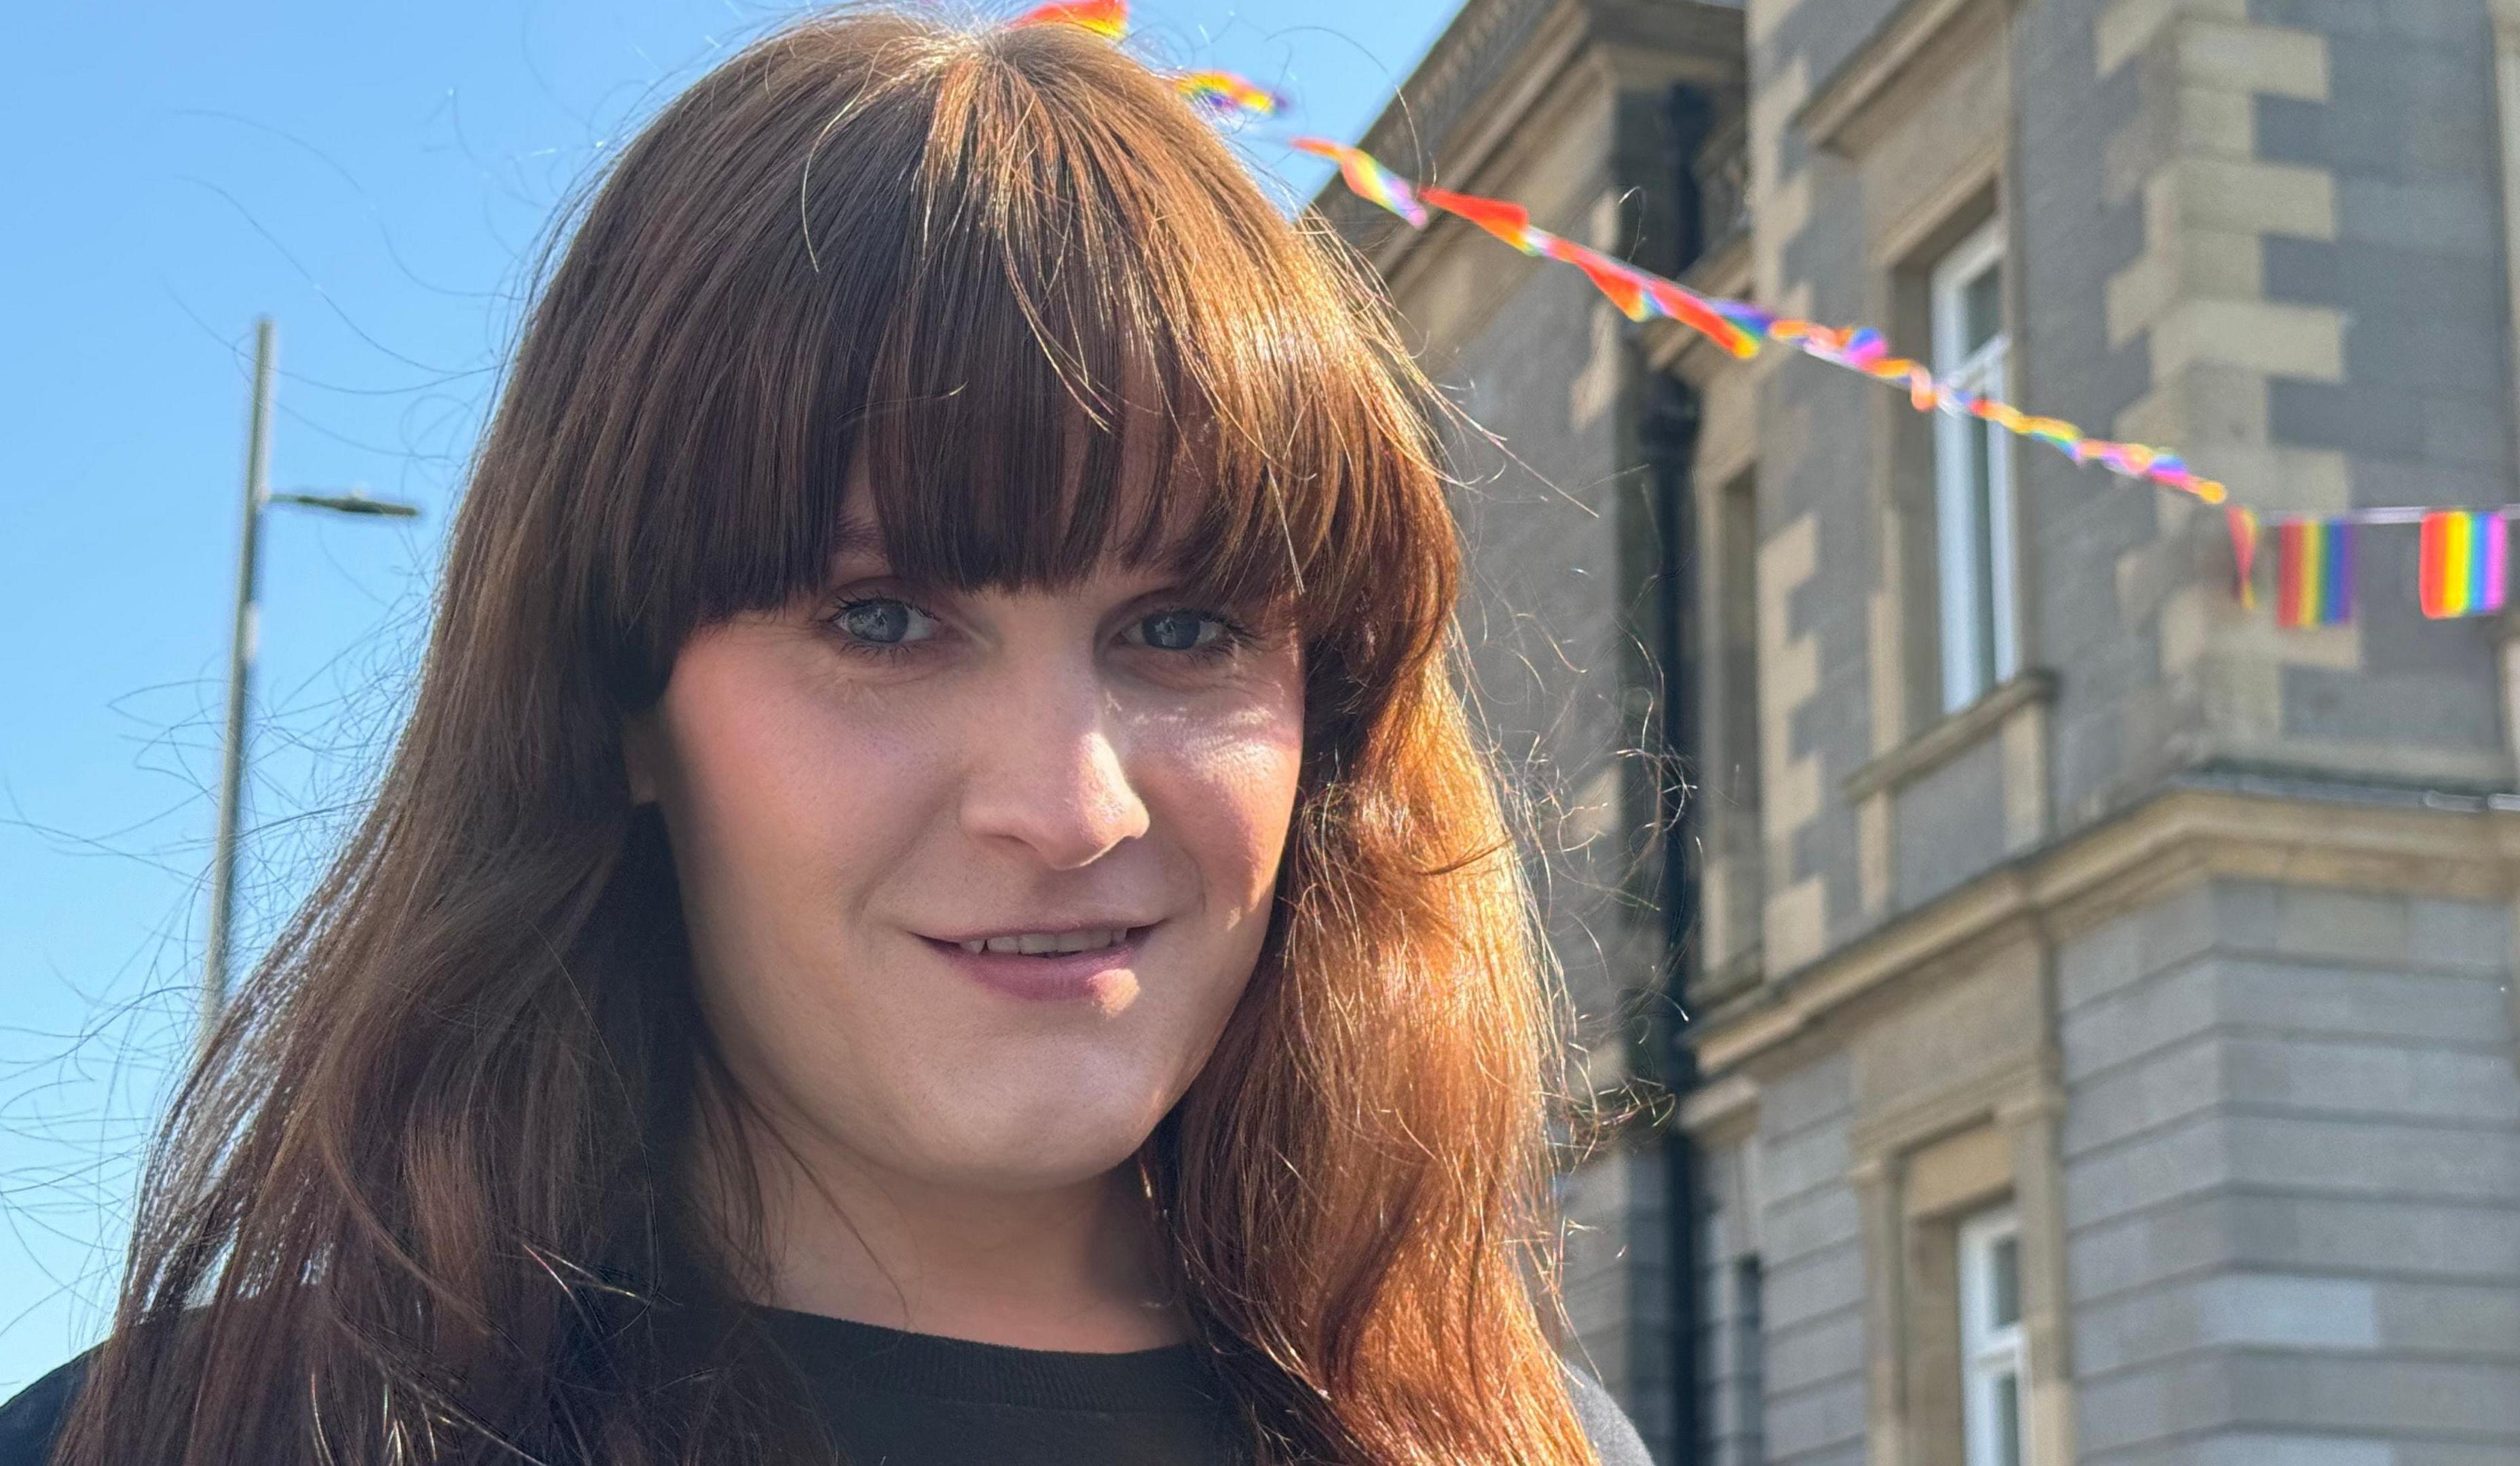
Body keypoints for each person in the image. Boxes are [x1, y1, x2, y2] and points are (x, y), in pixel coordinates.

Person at [0, 7, 1653, 1464]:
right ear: (611, 699)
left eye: (1182, 630)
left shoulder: (1523, 1437)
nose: (1068, 807)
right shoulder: (198, 1435)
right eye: (883, 621)